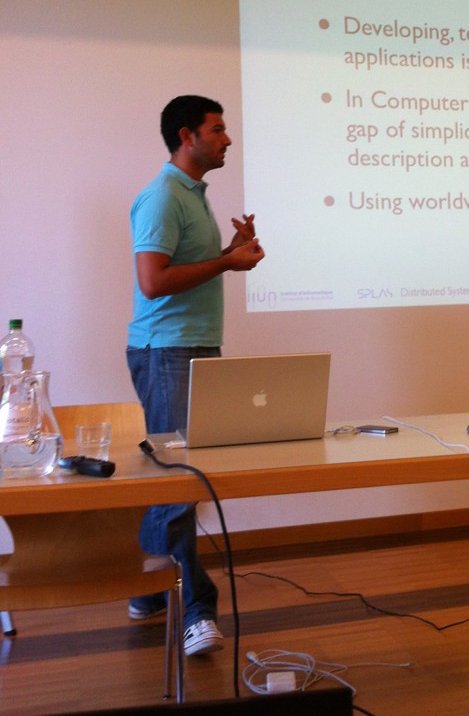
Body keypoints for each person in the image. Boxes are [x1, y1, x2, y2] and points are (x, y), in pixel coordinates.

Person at [126, 95, 264, 656]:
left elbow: (185, 271)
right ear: (188, 136)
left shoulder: (193, 195)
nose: (227, 139)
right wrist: (227, 262)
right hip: (167, 350)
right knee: (180, 480)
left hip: (193, 346)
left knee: (179, 477)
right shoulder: (162, 196)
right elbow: (153, 282)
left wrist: (230, 251)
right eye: (218, 129)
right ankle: (197, 608)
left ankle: (147, 589)